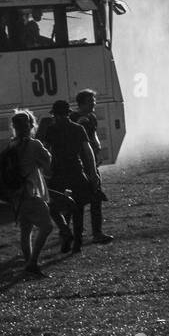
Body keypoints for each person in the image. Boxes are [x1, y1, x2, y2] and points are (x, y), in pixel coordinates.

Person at [38, 100, 100, 253]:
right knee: (78, 208)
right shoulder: (78, 128)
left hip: (59, 173)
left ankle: (65, 231)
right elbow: (88, 152)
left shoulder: (51, 129)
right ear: (68, 113)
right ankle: (77, 244)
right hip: (76, 172)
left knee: (53, 206)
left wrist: (45, 172)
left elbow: (48, 152)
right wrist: (92, 173)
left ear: (55, 114)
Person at [5, 110, 53, 277]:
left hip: (17, 195)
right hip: (31, 192)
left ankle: (29, 264)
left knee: (26, 231)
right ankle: (32, 263)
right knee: (47, 227)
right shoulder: (34, 144)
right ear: (31, 125)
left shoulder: (11, 144)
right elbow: (47, 163)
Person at [72, 89, 112, 243]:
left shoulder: (92, 117)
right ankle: (77, 233)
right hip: (82, 164)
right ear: (82, 103)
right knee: (80, 199)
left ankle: (96, 232)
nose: (94, 103)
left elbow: (93, 135)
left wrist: (98, 150)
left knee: (96, 197)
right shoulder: (74, 118)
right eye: (91, 101)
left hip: (92, 161)